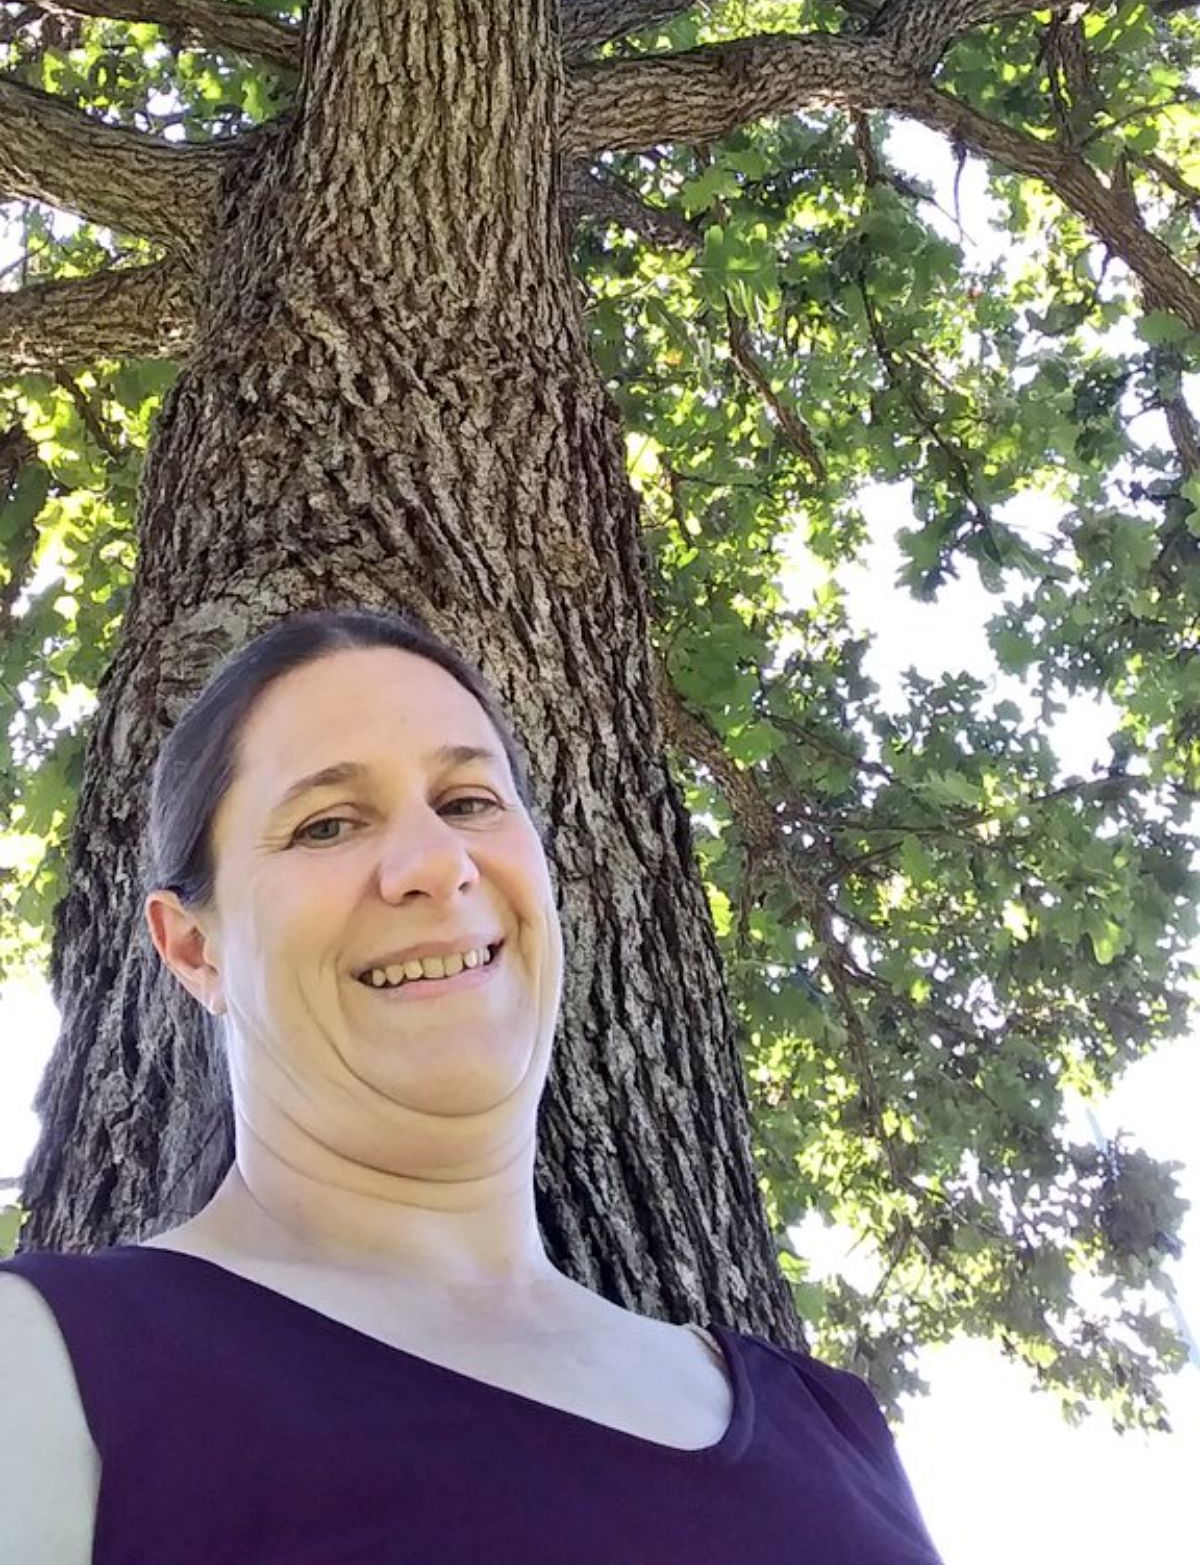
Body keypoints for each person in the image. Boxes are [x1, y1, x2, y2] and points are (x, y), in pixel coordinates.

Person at [0, 605, 945, 1563]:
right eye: (327, 823)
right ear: (194, 946)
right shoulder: (43, 1363)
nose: (436, 864)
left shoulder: (832, 1421)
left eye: (467, 802)